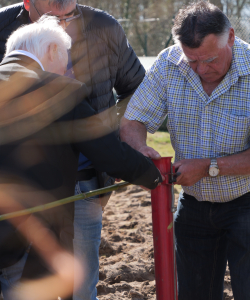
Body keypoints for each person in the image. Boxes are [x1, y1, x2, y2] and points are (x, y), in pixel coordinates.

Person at [120, 2, 250, 300]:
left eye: (210, 59)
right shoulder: (168, 63)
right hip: (195, 200)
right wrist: (140, 148)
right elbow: (132, 119)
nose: (202, 70)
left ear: (230, 37)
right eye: (192, 61)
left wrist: (208, 167)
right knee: (193, 294)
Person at [0, 16, 162, 300]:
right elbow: (109, 153)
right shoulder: (60, 91)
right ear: (51, 51)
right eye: (63, 64)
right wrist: (154, 174)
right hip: (27, 237)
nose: (64, 73)